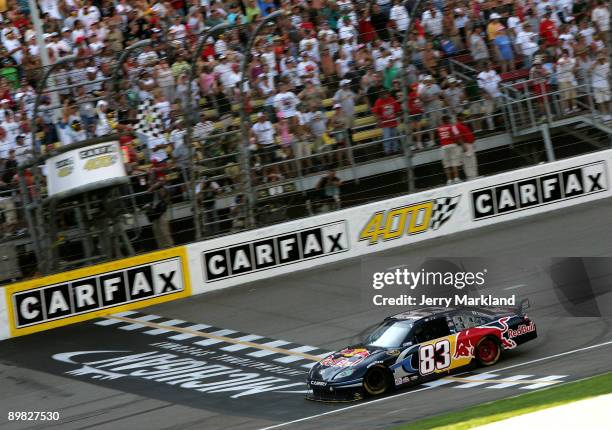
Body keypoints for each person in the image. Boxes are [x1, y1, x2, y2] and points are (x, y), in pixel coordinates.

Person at [372, 89, 401, 155]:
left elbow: (397, 109)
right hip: (385, 123)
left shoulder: (392, 99)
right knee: (387, 137)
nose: (384, 95)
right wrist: (378, 120)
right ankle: (387, 151)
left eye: (385, 93)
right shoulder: (378, 101)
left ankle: (395, 149)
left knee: (394, 136)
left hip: (393, 121)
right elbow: (375, 112)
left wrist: (398, 116)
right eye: (382, 94)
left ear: (388, 94)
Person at [436, 115, 461, 185]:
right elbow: (457, 136)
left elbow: (439, 137)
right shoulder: (452, 126)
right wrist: (459, 143)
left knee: (446, 164)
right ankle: (456, 178)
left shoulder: (439, 128)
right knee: (454, 162)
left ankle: (449, 180)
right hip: (452, 145)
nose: (450, 120)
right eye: (449, 119)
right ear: (447, 120)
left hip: (443, 146)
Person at [452, 115, 478, 180]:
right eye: (463, 117)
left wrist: (473, 144)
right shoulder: (455, 126)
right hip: (465, 145)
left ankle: (474, 176)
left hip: (469, 144)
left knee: (472, 161)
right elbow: (457, 136)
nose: (465, 119)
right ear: (459, 118)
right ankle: (470, 177)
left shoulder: (464, 125)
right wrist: (463, 145)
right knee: (467, 162)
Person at [590, 54, 611, 122]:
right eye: (600, 58)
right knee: (600, 101)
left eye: (602, 58)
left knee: (607, 100)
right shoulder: (594, 64)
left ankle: (608, 114)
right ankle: (603, 115)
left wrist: (603, 58)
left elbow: (607, 73)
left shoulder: (607, 64)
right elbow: (589, 71)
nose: (601, 60)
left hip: (604, 85)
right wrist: (596, 62)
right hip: (596, 85)